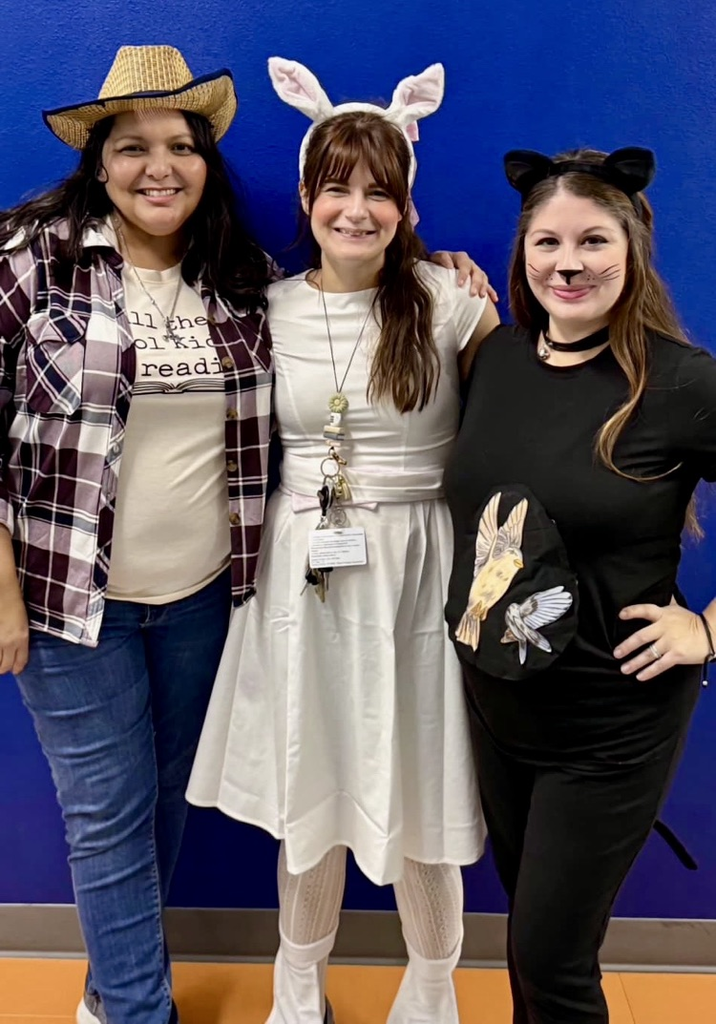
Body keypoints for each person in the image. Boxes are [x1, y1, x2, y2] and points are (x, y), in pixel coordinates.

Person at [0, 45, 490, 1024]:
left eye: (178, 144)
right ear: (98, 159)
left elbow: (500, 410)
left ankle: (417, 984)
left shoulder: (262, 285)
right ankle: (176, 1000)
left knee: (181, 801)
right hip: (118, 592)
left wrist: (444, 273)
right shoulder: (44, 263)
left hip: (255, 590)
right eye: (131, 146)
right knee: (124, 809)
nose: (157, 166)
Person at [187, 58, 499, 1024]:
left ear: (406, 203)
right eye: (337, 187)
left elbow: (523, 422)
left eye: (380, 191)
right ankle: (297, 980)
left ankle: (434, 983)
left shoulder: (452, 305)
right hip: (303, 572)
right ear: (306, 193)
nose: (356, 209)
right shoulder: (265, 309)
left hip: (418, 571)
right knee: (309, 770)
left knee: (421, 775)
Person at [444, 146, 716, 1024]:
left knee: (551, 962)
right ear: (522, 252)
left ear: (632, 248)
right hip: (497, 706)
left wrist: (707, 629)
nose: (569, 263)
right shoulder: (497, 360)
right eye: (548, 242)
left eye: (593, 241)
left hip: (611, 720)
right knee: (531, 937)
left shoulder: (680, 381)